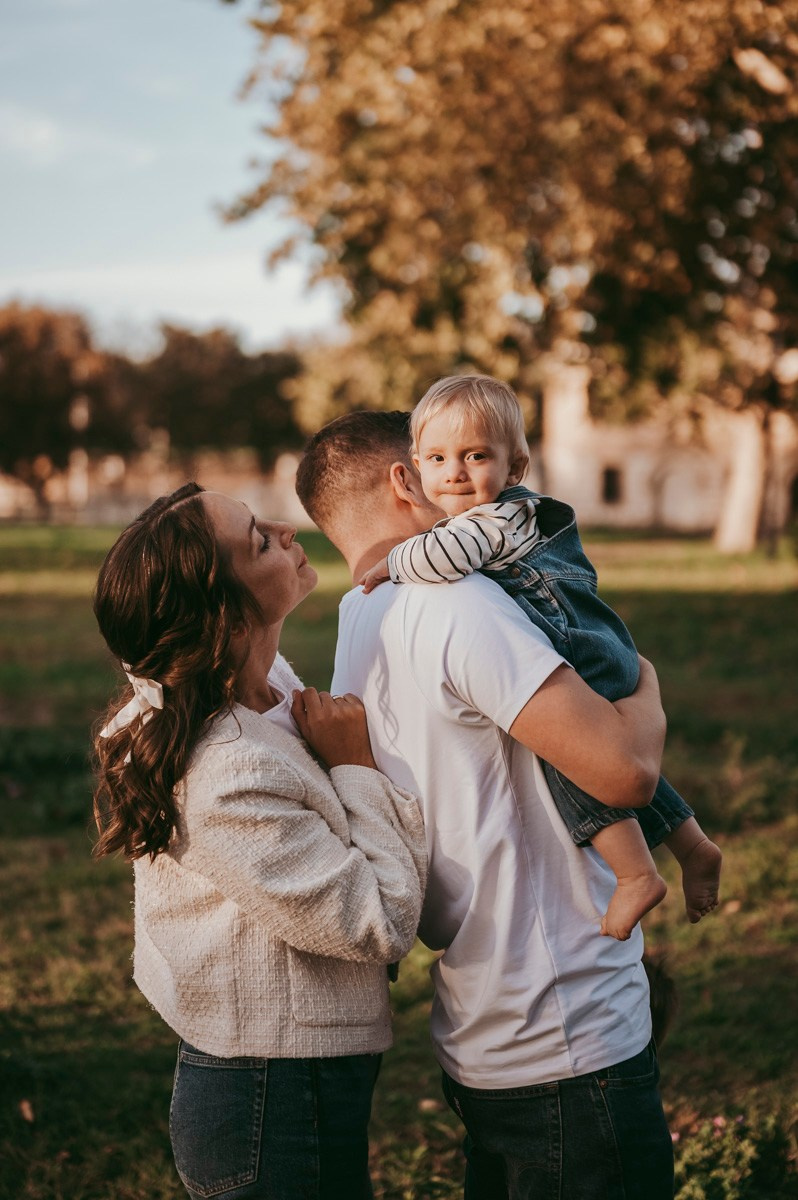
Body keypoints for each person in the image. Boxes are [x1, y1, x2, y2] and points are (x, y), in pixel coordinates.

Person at [296, 412, 676, 1200]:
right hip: (568, 1024)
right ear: (406, 481)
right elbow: (624, 772)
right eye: (438, 460)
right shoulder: (457, 601)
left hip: (479, 1026)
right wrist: (648, 685)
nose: (464, 479)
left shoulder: (356, 618)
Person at [92, 482, 427, 1200]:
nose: (285, 527)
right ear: (225, 617)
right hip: (269, 1099)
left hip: (291, 1082)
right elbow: (381, 921)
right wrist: (353, 766)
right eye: (258, 540)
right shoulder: (225, 772)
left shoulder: (266, 682)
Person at [360, 374, 722, 941]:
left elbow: (444, 557)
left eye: (475, 455)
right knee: (613, 754)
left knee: (575, 758)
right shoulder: (488, 516)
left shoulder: (498, 519)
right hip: (599, 645)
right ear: (415, 466)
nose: (454, 471)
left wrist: (392, 562)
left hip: (579, 650)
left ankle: (635, 874)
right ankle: (693, 844)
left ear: (515, 469)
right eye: (437, 457)